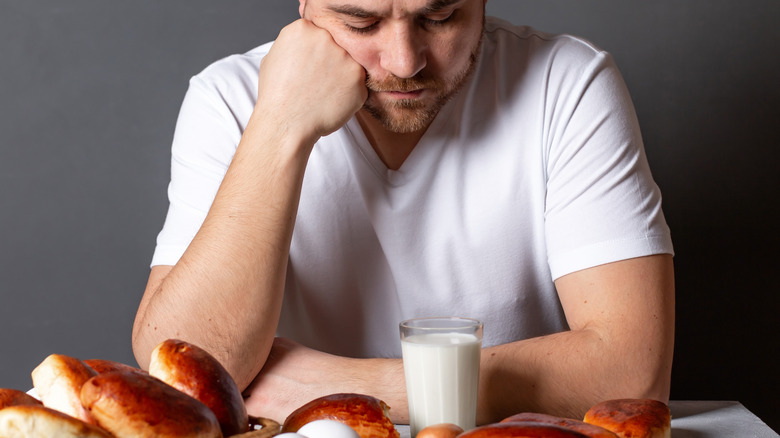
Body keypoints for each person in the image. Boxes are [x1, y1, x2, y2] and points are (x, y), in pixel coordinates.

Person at [132, 0, 675, 426]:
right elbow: (185, 371)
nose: (404, 61)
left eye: (439, 17)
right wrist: (279, 127)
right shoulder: (228, 99)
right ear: (304, 5)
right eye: (359, 22)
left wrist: (345, 387)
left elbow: (633, 369)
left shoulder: (568, 83)